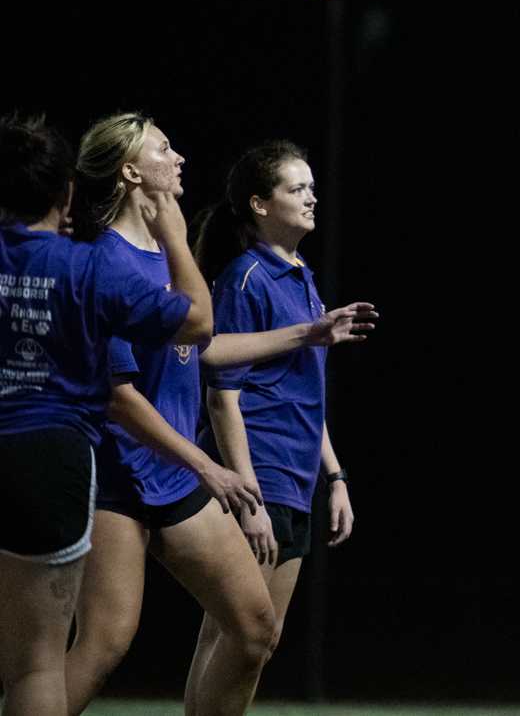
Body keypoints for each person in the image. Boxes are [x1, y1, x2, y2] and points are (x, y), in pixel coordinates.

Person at [62, 116, 374, 716]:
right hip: (121, 480)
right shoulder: (106, 259)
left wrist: (311, 332)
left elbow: (201, 349)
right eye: (162, 148)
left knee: (255, 629)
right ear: (130, 171)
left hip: (175, 478)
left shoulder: (165, 253)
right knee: (103, 645)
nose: (178, 156)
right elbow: (119, 398)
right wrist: (214, 468)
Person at [2, 111, 211, 716]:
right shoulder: (89, 267)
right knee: (36, 665)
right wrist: (174, 232)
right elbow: (198, 320)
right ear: (64, 194)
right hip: (48, 461)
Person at [183, 141, 366, 707]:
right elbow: (222, 396)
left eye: (312, 187)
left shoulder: (301, 277)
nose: (312, 196)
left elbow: (306, 394)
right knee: (249, 637)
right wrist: (249, 496)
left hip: (294, 476)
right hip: (261, 475)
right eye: (297, 188)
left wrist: (334, 477)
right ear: (260, 205)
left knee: (240, 636)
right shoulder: (246, 278)